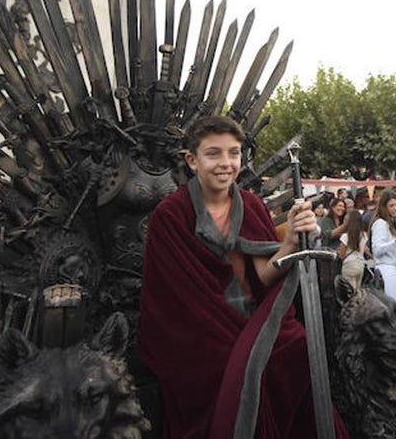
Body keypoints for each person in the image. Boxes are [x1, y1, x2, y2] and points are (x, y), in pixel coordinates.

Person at [138, 116, 348, 439]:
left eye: (233, 154)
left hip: (254, 321)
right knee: (225, 366)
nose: (225, 163)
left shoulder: (250, 206)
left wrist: (291, 240)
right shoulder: (170, 215)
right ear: (192, 160)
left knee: (297, 347)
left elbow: (261, 276)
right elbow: (172, 305)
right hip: (200, 336)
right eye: (214, 154)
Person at [338, 209, 368, 290]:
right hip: (361, 264)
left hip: (349, 265)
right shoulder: (364, 235)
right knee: (358, 292)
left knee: (350, 294)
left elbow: (341, 255)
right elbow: (365, 249)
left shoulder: (345, 236)